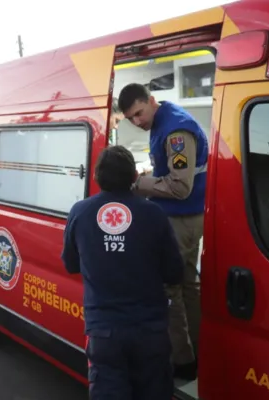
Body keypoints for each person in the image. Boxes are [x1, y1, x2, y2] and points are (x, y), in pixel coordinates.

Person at [62, 145, 184, 399]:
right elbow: (174, 272)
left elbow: (70, 264)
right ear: (133, 178)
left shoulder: (80, 212)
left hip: (104, 332)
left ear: (96, 177)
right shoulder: (154, 213)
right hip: (150, 331)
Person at [117, 83, 209, 380]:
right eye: (130, 118)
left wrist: (137, 184)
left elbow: (180, 187)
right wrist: (150, 175)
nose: (137, 122)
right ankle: (198, 350)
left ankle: (183, 362)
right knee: (187, 284)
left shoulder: (175, 131)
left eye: (139, 113)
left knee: (169, 289)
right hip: (188, 218)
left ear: (151, 101)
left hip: (181, 219)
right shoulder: (164, 119)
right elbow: (170, 171)